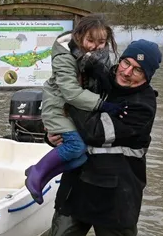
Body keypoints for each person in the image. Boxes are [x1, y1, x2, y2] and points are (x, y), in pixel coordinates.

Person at [43, 39, 162, 236]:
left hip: (118, 193)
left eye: (137, 70)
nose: (127, 72)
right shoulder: (98, 78)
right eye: (126, 63)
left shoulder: (143, 106)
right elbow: (60, 117)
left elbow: (94, 132)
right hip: (77, 184)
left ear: (147, 76)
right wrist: (52, 134)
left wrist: (71, 98)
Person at [25, 14, 127, 205]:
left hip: (75, 110)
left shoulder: (97, 58)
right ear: (79, 36)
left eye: (101, 42)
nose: (94, 47)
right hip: (58, 107)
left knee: (80, 158)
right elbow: (70, 92)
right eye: (89, 40)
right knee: (76, 147)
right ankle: (37, 172)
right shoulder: (65, 55)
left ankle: (41, 177)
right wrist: (102, 104)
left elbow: (106, 80)